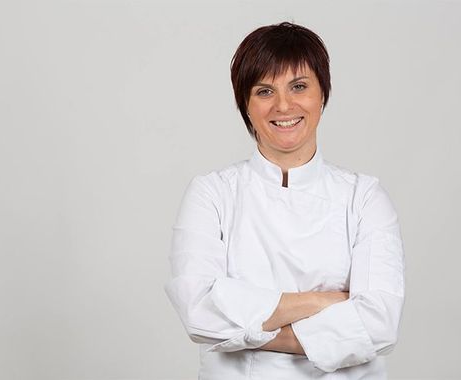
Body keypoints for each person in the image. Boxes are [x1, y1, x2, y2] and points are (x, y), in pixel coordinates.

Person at [163, 22, 407, 379]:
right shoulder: (212, 194)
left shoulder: (364, 198)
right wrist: (325, 302)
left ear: (322, 94)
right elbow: (198, 311)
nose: (283, 105)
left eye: (299, 86)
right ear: (245, 105)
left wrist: (243, 331)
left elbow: (379, 324)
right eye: (264, 91)